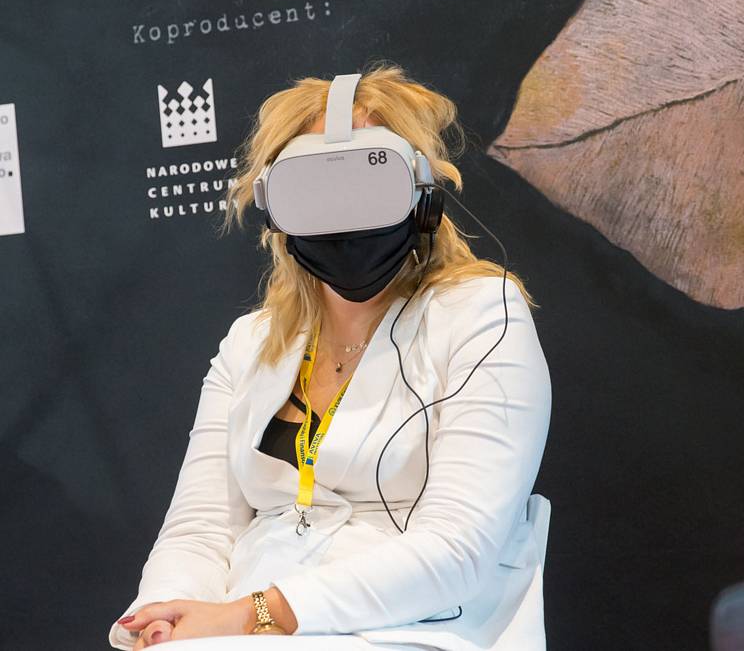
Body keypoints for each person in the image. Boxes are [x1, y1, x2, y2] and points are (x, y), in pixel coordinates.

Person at [108, 60, 552, 650]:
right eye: (316, 189)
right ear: (276, 210)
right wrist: (167, 618)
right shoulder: (252, 342)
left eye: (369, 181)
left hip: (410, 628)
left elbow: (458, 549)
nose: (344, 215)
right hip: (244, 628)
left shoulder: (481, 315)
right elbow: (200, 529)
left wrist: (255, 615)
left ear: (421, 196)